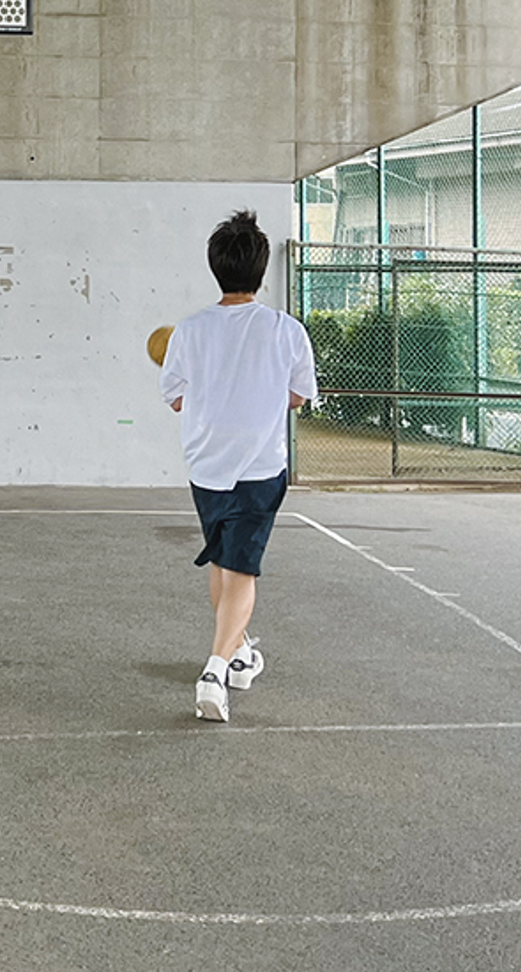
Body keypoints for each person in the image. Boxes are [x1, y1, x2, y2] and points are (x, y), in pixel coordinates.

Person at [159, 211, 318, 723]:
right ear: (261, 270)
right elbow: (298, 398)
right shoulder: (285, 330)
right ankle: (214, 670)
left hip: (205, 468)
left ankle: (241, 652)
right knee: (242, 569)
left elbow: (177, 401)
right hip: (259, 467)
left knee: (226, 563)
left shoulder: (188, 331)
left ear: (216, 268)